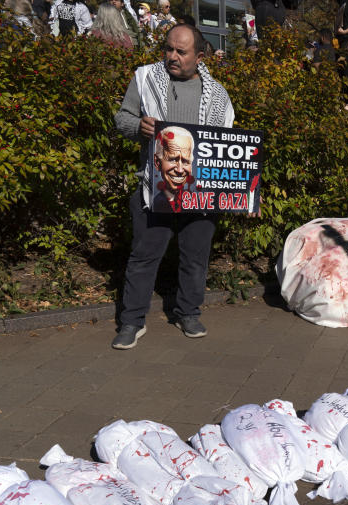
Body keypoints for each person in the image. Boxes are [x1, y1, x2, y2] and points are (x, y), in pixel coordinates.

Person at [112, 24, 235, 349]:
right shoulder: (145, 78)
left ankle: (188, 313)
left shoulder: (219, 95)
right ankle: (131, 321)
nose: (172, 57)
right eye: (168, 49)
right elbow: (121, 119)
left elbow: (227, 147)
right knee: (144, 256)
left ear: (200, 55)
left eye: (181, 51)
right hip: (152, 188)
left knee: (195, 256)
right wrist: (137, 125)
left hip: (201, 192)